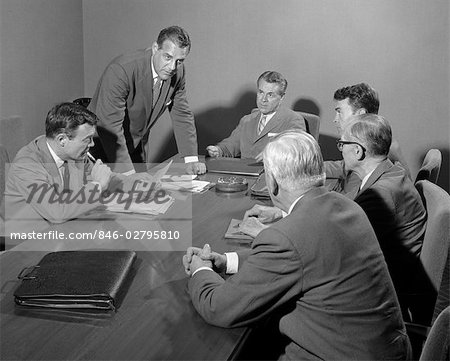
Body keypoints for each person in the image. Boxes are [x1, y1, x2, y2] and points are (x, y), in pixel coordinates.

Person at [183, 131, 411, 360]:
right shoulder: (345, 205)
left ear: (272, 184)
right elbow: (301, 259)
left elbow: (218, 307)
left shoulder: (287, 238)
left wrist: (201, 268)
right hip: (384, 349)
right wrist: (228, 260)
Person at [4, 102, 157, 234]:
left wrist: (134, 183)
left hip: (65, 231)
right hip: (25, 244)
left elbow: (103, 179)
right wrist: (98, 186)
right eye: (87, 139)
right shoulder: (26, 165)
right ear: (62, 139)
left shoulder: (75, 155)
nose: (92, 144)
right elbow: (57, 211)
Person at [338, 114, 430, 322]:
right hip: (394, 274)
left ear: (358, 150)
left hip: (378, 294)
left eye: (342, 143)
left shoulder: (379, 195)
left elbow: (340, 247)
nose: (340, 148)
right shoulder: (392, 171)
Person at [89, 25, 205, 175]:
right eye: (168, 57)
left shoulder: (178, 72)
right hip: (101, 149)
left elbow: (181, 114)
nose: (172, 67)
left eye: (179, 61)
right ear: (155, 48)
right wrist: (127, 173)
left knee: (143, 194)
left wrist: (191, 159)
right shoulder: (121, 70)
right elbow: (109, 126)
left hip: (136, 147)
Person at [325, 82, 410, 194]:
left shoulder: (373, 154)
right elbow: (342, 167)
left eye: (339, 112)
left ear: (361, 114)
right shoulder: (376, 141)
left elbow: (351, 202)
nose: (335, 119)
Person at [206, 71, 306, 161]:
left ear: (282, 97)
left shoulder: (293, 120)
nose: (263, 99)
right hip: (244, 175)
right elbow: (231, 145)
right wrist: (218, 150)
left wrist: (273, 153)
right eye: (261, 92)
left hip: (273, 177)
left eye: (270, 95)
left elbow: (298, 149)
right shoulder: (247, 120)